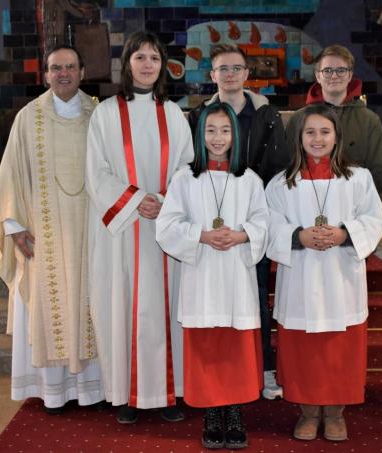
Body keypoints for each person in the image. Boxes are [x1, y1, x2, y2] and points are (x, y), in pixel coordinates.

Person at [0, 45, 103, 415]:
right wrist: (16, 228)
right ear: (46, 75)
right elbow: (11, 175)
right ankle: (53, 392)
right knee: (49, 302)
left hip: (92, 234)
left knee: (92, 304)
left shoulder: (100, 116)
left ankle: (94, 390)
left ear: (83, 71)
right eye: (55, 68)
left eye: (70, 66)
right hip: (42, 233)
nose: (63, 73)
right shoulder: (27, 117)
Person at [85, 31, 194, 424]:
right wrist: (135, 199)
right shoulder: (106, 113)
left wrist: (164, 202)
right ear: (126, 63)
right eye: (139, 57)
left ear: (162, 65)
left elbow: (186, 165)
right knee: (125, 307)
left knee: (166, 307)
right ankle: (127, 396)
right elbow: (96, 172)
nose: (147, 64)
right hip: (126, 229)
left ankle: (169, 393)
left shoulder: (174, 114)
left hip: (164, 227)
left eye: (154, 58)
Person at [266, 104, 382, 442]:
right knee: (302, 350)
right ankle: (307, 411)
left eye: (324, 132)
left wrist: (345, 233)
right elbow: (268, 224)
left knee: (339, 351)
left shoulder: (358, 178)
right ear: (299, 137)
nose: (317, 139)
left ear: (337, 137)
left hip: (341, 279)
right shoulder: (282, 183)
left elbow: (375, 218)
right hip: (301, 278)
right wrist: (297, 236)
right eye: (310, 132)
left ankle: (335, 413)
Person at [157, 102, 268, 449]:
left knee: (234, 347)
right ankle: (210, 413)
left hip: (235, 274)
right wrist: (202, 235)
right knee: (206, 347)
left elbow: (264, 222)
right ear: (199, 134)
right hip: (202, 273)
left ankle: (233, 411)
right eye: (210, 130)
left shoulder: (249, 180)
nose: (218, 138)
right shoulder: (184, 179)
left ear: (235, 134)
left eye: (225, 130)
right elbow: (167, 226)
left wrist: (242, 234)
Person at [187, 43, 288, 400]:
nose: (229, 74)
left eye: (236, 68)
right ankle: (213, 373)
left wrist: (250, 220)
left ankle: (261, 368)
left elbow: (277, 170)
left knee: (256, 298)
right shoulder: (199, 115)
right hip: (209, 226)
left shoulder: (266, 114)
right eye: (222, 69)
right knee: (211, 301)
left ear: (247, 74)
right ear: (212, 75)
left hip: (248, 225)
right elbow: (192, 163)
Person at [285, 44, 382, 191]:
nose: (334, 76)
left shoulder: (369, 120)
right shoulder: (297, 119)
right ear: (318, 76)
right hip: (304, 201)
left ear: (350, 75)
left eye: (341, 70)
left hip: (354, 204)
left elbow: (380, 171)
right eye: (327, 70)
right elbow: (288, 166)